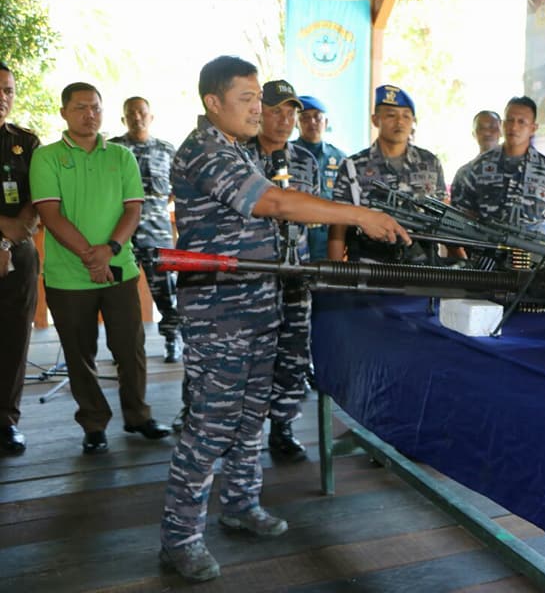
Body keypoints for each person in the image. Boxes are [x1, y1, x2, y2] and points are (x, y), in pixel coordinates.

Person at [160, 56, 409, 583]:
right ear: (213, 102)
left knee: (253, 415)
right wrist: (359, 215)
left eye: (259, 98)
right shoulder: (205, 149)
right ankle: (179, 538)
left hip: (259, 304)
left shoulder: (238, 147)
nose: (258, 109)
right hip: (220, 315)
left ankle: (240, 503)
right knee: (210, 427)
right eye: (247, 99)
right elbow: (273, 203)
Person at [29, 82, 171, 456]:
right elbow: (50, 215)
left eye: (95, 107)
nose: (89, 114)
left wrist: (109, 251)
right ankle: (94, 424)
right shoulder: (46, 157)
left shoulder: (122, 156)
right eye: (80, 107)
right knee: (80, 355)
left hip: (119, 268)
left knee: (130, 348)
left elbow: (133, 210)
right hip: (68, 277)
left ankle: (138, 416)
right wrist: (90, 257)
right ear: (63, 112)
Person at [247, 79, 319, 462]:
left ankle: (283, 427)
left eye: (291, 112)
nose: (285, 119)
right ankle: (240, 431)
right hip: (249, 275)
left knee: (293, 352)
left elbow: (314, 213)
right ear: (259, 112)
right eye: (276, 111)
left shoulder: (306, 160)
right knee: (246, 353)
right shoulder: (239, 156)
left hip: (295, 273)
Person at [327, 84, 445, 262]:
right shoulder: (353, 166)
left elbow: (443, 217)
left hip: (422, 267)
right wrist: (336, 272)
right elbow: (338, 224)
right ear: (375, 120)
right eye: (391, 115)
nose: (400, 122)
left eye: (406, 116)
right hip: (369, 266)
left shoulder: (430, 163)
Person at [109, 96, 182, 362]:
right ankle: (122, 347)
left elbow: (177, 188)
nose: (136, 117)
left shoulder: (166, 150)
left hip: (157, 235)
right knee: (118, 295)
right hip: (120, 236)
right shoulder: (112, 150)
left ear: (151, 117)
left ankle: (172, 339)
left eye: (141, 112)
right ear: (123, 119)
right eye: (131, 113)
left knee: (166, 291)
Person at [0, 61, 41, 455]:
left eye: (8, 90)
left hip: (19, 253)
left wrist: (12, 237)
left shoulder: (25, 142)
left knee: (14, 336)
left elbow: (39, 197)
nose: (3, 97)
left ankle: (5, 420)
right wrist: (3, 230)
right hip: (6, 238)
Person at [451, 96, 545, 235]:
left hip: (529, 248)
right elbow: (462, 214)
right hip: (486, 247)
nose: (514, 127)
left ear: (533, 128)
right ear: (502, 124)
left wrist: (541, 245)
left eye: (521, 122)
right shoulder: (477, 168)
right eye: (509, 120)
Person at [293, 95, 345, 261]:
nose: (312, 122)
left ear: (326, 122)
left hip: (329, 237)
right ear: (296, 123)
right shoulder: (286, 154)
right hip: (296, 235)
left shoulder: (340, 158)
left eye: (317, 117)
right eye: (305, 118)